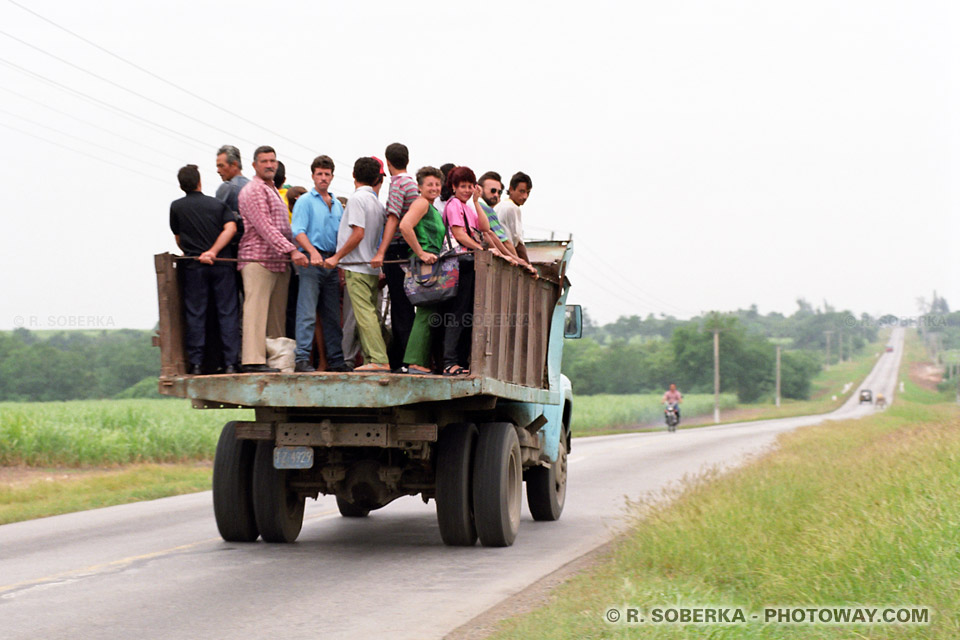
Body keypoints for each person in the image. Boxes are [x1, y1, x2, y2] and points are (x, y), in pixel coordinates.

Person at [237, 145, 308, 373]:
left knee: (276, 317)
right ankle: (253, 361)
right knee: (255, 311)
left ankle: (277, 360)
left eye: (272, 161)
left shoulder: (273, 190)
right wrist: (293, 251)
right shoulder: (254, 190)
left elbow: (284, 227)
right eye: (264, 161)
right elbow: (265, 227)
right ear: (255, 165)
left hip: (279, 261)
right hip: (257, 259)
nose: (269, 165)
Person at [169, 165, 241, 375]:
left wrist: (197, 252)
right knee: (227, 312)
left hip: (194, 266)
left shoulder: (177, 207)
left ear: (182, 185)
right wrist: (213, 251)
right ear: (200, 182)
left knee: (196, 314)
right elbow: (231, 228)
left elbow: (179, 238)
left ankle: (197, 364)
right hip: (222, 264)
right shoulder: (217, 205)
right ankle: (230, 363)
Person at [325, 157, 390, 372]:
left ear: (354, 176)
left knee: (364, 315)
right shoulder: (377, 203)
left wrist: (336, 257)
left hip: (356, 265)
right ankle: (373, 357)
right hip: (370, 266)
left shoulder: (357, 200)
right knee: (370, 313)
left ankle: (379, 359)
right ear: (376, 178)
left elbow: (357, 233)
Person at [440, 166, 502, 375]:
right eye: (462, 186)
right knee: (457, 314)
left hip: (469, 263)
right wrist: (481, 249)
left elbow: (484, 228)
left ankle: (461, 362)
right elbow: (459, 234)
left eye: (470, 186)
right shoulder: (453, 205)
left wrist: (476, 201)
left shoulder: (468, 205)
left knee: (467, 314)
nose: (466, 190)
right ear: (454, 187)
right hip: (459, 263)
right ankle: (450, 362)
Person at [291, 155, 348, 372]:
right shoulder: (305, 200)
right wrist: (313, 252)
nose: (323, 178)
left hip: (331, 262)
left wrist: (338, 259)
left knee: (333, 315)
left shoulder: (337, 205)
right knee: (306, 312)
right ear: (313, 175)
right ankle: (302, 359)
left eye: (327, 174)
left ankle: (335, 359)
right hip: (311, 261)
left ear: (332, 176)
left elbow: (341, 234)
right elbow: (298, 231)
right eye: (319, 174)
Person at [371, 142, 419, 370]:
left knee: (401, 307)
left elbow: (393, 217)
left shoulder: (398, 184)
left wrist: (381, 251)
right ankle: (404, 358)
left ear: (388, 162)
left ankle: (403, 361)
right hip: (408, 253)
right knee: (404, 306)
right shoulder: (413, 184)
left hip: (398, 250)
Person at [398, 166, 446, 374]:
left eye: (437, 184)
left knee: (429, 310)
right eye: (430, 184)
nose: (434, 188)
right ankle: (416, 362)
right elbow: (405, 226)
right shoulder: (421, 203)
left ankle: (421, 362)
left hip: (433, 261)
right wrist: (420, 253)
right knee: (426, 310)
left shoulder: (432, 207)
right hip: (425, 262)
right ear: (419, 187)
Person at [495, 171, 533, 262]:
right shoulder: (513, 208)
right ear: (511, 189)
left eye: (528, 193)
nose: (525, 196)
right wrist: (528, 266)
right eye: (522, 191)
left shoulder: (499, 206)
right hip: (507, 257)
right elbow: (519, 244)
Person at [214, 145, 249, 214]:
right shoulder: (254, 186)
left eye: (221, 166)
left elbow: (216, 216)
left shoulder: (227, 188)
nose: (218, 171)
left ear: (234, 164)